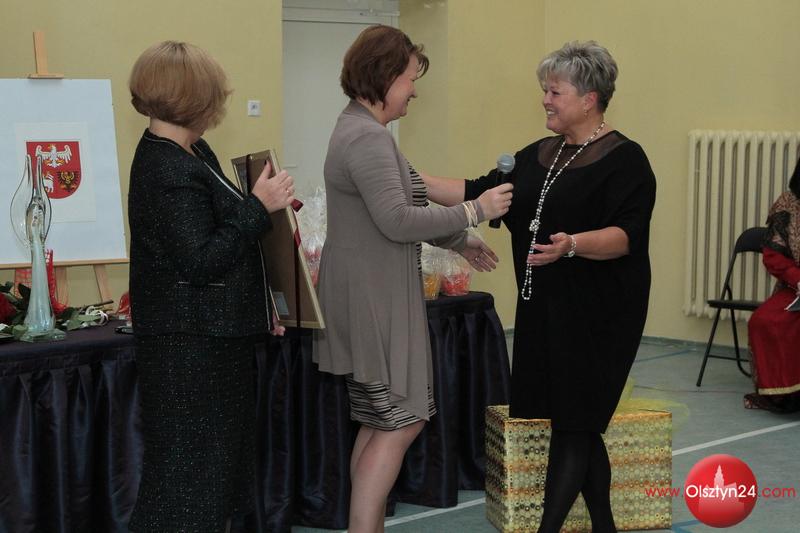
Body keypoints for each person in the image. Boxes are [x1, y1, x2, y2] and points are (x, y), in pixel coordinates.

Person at [424, 41, 656, 533]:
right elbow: (475, 191)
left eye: (554, 91)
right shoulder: (539, 154)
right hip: (545, 311)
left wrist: (573, 244)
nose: (545, 100)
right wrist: (407, 177)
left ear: (589, 99)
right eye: (544, 90)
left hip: (600, 315)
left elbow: (626, 236)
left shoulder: (627, 160)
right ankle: (605, 527)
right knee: (577, 424)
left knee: (575, 423)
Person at [312, 25, 513, 533]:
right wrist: (476, 210)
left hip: (367, 293)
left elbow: (406, 200)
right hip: (375, 299)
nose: (413, 92)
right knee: (404, 419)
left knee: (380, 420)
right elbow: (398, 220)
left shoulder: (359, 128)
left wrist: (458, 239)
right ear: (383, 77)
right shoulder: (367, 138)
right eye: (409, 79)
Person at [127, 41, 294, 532]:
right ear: (195, 98)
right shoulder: (168, 168)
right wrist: (258, 207)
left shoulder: (190, 151)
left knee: (212, 483)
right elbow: (200, 261)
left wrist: (262, 303)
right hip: (190, 351)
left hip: (212, 343)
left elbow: (218, 242)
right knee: (188, 488)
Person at [745, 159, 800, 413]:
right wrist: (797, 278)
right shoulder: (788, 204)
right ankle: (784, 396)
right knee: (764, 321)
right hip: (795, 286)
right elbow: (773, 255)